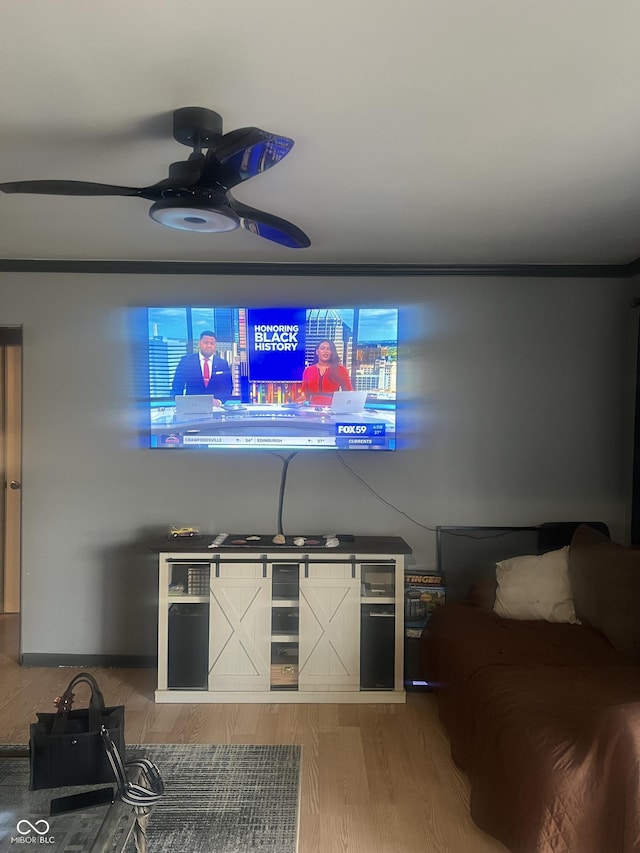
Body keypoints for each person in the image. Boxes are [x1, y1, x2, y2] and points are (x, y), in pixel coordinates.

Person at [171, 330, 233, 405]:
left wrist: (219, 401)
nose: (209, 346)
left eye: (212, 343)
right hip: (191, 407)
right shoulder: (186, 361)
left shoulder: (222, 363)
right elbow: (177, 386)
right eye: (205, 342)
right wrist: (180, 405)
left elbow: (228, 387)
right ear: (199, 344)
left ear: (215, 345)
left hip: (215, 408)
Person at [299, 339, 353, 405]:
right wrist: (301, 399)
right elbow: (304, 392)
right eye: (322, 348)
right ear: (317, 352)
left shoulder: (341, 370)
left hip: (333, 409)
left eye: (329, 349)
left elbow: (349, 392)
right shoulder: (308, 370)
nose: (325, 351)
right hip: (312, 410)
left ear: (332, 352)